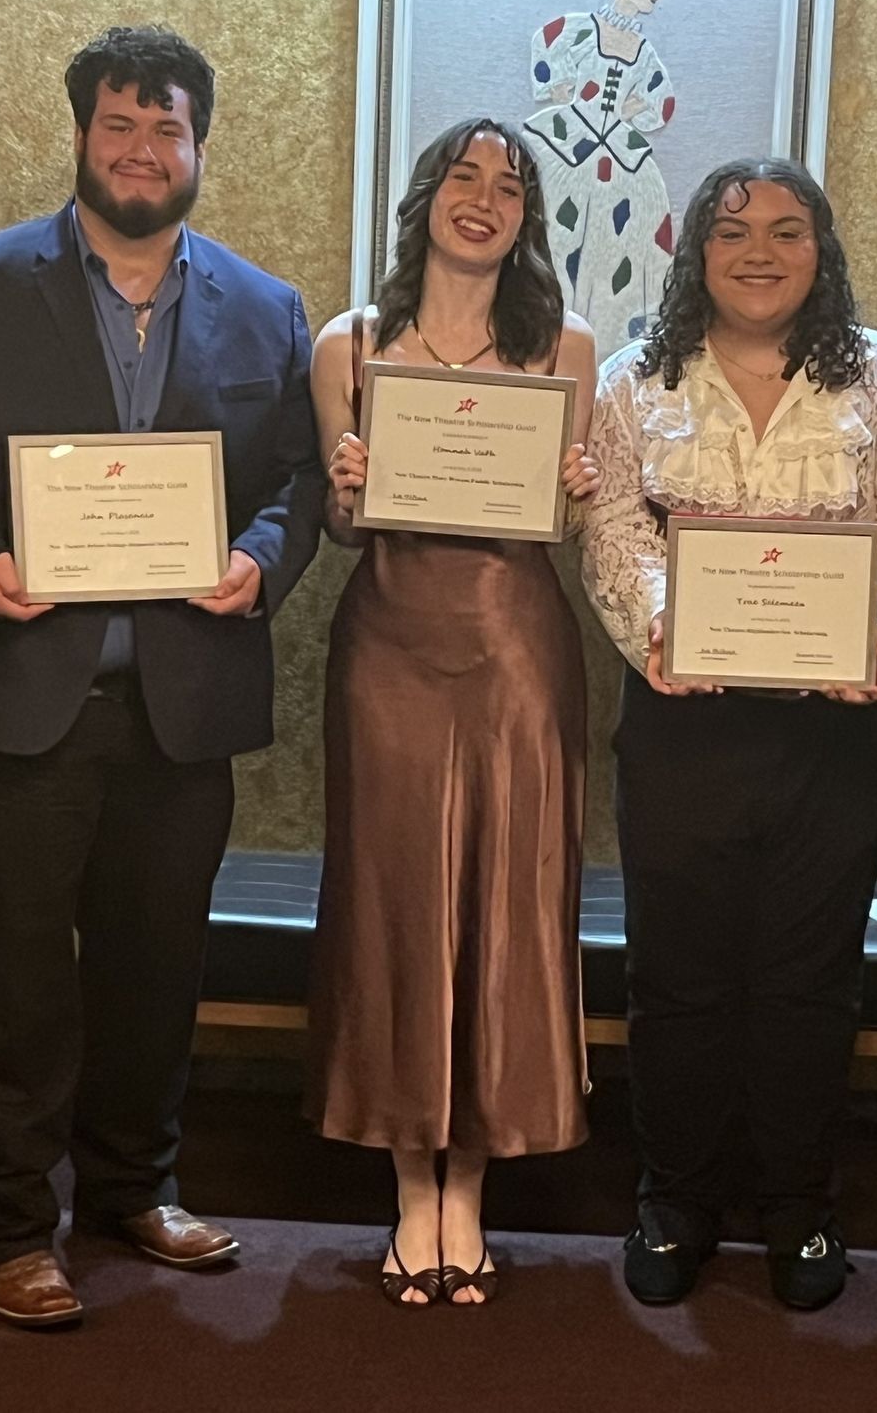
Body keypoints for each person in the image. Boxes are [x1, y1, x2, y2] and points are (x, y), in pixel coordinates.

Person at [0, 26, 323, 1328]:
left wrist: (259, 557)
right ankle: (9, 1226)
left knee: (155, 965)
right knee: (13, 976)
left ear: (199, 146)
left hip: (183, 701)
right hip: (21, 688)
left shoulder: (266, 306)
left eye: (166, 129)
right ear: (82, 134)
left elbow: (295, 479)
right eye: (119, 126)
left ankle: (134, 1187)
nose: (141, 151)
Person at [581, 158, 877, 1311]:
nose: (760, 251)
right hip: (685, 724)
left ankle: (799, 1208)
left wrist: (872, 637)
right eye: (734, 232)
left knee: (808, 978)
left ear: (820, 252)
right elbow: (613, 538)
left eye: (788, 232)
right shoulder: (635, 381)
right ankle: (674, 1198)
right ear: (695, 249)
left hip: (836, 731)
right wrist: (668, 636)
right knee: (679, 976)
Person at [305, 118, 600, 1307]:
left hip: (519, 651)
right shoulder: (352, 341)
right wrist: (343, 487)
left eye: (511, 187)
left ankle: (467, 1186)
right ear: (427, 196)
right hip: (386, 648)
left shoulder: (569, 344)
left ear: (531, 219)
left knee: (506, 904)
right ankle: (405, 1185)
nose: (484, 199)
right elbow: (338, 526)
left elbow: (566, 533)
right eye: (464, 178)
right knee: (395, 903)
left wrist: (575, 495)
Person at [523, 0, 678, 349]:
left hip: (618, 157)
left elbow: (662, 102)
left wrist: (629, 111)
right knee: (555, 233)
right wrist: (561, 91)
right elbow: (547, 38)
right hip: (568, 144)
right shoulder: (581, 29)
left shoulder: (644, 52)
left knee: (618, 245)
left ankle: (603, 346)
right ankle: (539, 337)